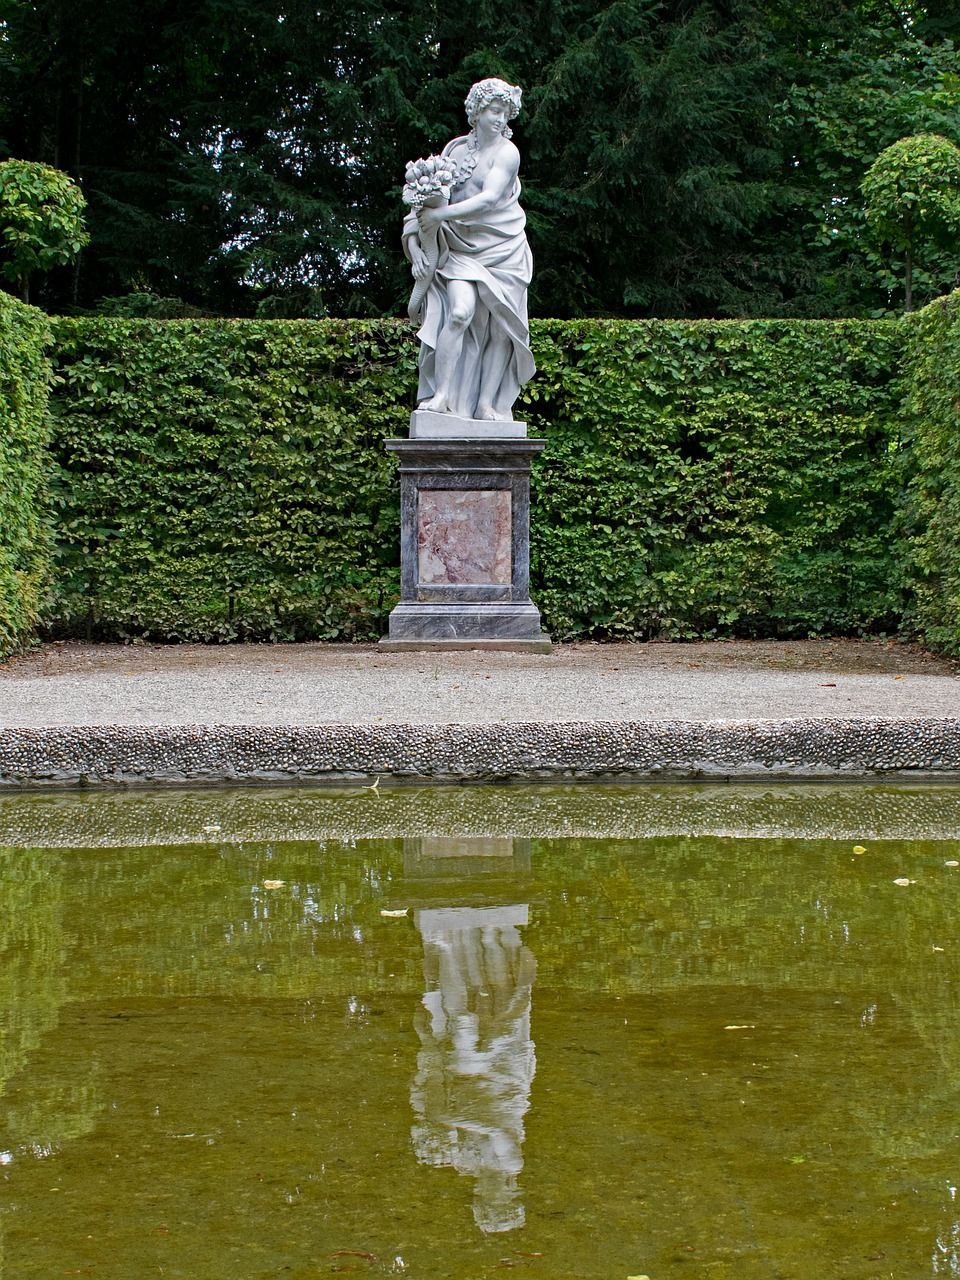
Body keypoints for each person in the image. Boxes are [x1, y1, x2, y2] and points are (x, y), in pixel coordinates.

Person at [403, 78, 536, 422]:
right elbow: (422, 204)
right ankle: (442, 396)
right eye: (494, 111)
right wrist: (415, 244)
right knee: (459, 313)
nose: (500, 119)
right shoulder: (455, 152)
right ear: (476, 111)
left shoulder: (508, 152)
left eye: (505, 113)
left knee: (499, 330)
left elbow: (489, 199)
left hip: (504, 249)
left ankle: (486, 405)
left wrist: (440, 215)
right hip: (461, 251)